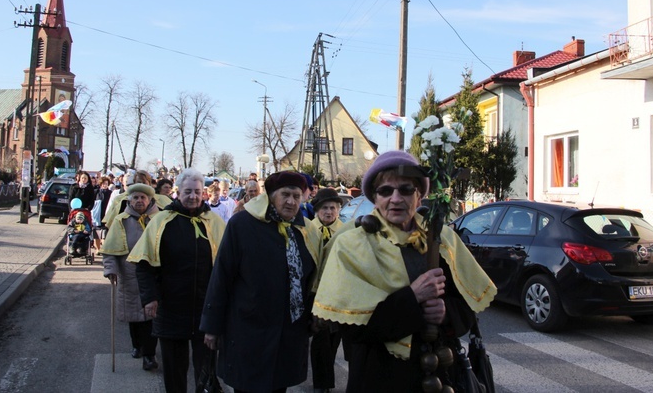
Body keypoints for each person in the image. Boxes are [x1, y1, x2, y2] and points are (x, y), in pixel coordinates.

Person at [313, 151, 496, 392]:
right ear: (374, 198)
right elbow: (353, 330)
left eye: (406, 190)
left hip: (440, 376)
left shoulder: (441, 239)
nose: (396, 199)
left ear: (420, 196)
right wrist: (413, 297)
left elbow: (467, 308)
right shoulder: (351, 244)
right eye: (386, 191)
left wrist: (445, 313)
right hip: (380, 377)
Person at [200, 171, 322, 393]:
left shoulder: (307, 230)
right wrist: (211, 326)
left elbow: (314, 279)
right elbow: (222, 276)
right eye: (285, 194)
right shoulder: (242, 225)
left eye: (296, 196)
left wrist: (315, 313)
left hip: (288, 331)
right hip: (248, 329)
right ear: (270, 196)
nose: (291, 201)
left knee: (278, 386)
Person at [128, 169, 225, 393]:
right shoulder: (162, 221)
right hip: (170, 308)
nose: (193, 196)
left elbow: (227, 267)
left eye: (197, 192)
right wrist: (150, 298)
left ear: (204, 194)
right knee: (174, 370)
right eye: (188, 191)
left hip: (205, 309)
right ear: (177, 192)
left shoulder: (214, 222)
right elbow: (144, 264)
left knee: (206, 372)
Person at [101, 183, 160, 371]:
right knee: (134, 316)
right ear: (129, 200)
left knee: (150, 316)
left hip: (152, 275)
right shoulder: (121, 221)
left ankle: (149, 355)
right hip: (129, 274)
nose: (139, 201)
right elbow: (110, 250)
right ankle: (137, 346)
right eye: (135, 198)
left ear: (149, 200)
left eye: (143, 197)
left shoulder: (158, 219)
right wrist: (110, 269)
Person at [308, 188, 344, 393]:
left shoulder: (344, 232)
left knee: (333, 337)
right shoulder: (308, 229)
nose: (329, 212)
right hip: (314, 292)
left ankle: (325, 378)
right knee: (320, 338)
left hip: (336, 293)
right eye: (324, 208)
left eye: (332, 208)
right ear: (317, 210)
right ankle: (322, 384)